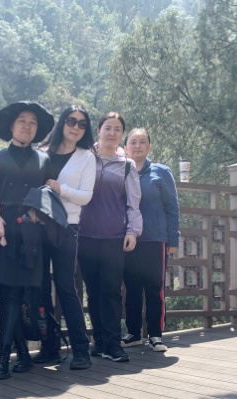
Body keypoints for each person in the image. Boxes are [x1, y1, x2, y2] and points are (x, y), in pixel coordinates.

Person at [0, 101, 54, 379]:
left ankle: (11, 356)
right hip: (4, 232)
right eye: (22, 121)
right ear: (12, 126)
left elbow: (50, 195)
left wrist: (40, 210)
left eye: (32, 122)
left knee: (20, 294)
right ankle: (11, 356)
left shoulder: (44, 160)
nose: (27, 126)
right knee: (7, 294)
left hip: (30, 234)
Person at [78, 112, 142, 363]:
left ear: (121, 134)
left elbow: (133, 204)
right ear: (99, 130)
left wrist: (132, 232)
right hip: (84, 235)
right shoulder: (85, 158)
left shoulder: (127, 166)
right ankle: (99, 342)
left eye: (117, 129)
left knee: (112, 291)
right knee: (93, 291)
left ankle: (113, 344)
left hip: (114, 236)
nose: (112, 133)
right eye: (108, 128)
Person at [36, 105, 96, 370]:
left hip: (67, 227)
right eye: (71, 121)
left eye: (82, 124)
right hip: (38, 226)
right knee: (39, 288)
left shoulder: (86, 157)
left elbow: (86, 196)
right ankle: (49, 347)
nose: (76, 127)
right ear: (62, 122)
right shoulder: (42, 151)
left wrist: (62, 189)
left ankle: (81, 350)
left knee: (65, 287)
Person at [122, 128, 180, 352]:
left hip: (155, 239)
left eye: (142, 142)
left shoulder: (161, 172)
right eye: (133, 142)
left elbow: (172, 207)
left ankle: (156, 335)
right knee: (131, 288)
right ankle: (133, 333)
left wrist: (173, 239)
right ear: (125, 147)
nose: (137, 146)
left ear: (149, 146)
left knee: (155, 288)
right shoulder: (121, 171)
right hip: (129, 240)